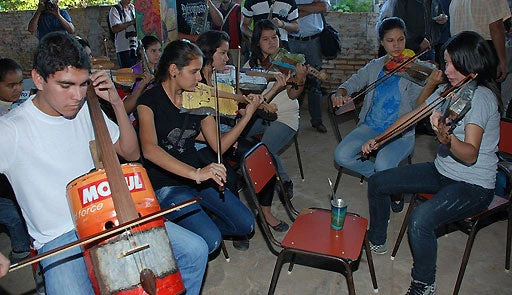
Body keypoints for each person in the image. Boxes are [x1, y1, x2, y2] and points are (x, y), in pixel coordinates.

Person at [0, 32, 208, 294]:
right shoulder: (11, 130)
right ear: (39, 79)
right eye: (66, 85)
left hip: (113, 216)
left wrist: (116, 104)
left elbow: (131, 153)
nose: (77, 95)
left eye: (83, 84)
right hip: (60, 237)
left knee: (195, 250)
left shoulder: (86, 109)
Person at [366, 31, 500, 294]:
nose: (446, 69)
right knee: (378, 181)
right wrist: (379, 139)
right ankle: (377, 239)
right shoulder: (447, 91)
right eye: (446, 62)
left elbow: (471, 153)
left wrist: (447, 140)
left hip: (474, 185)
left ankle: (424, 284)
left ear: (470, 63)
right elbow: (411, 116)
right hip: (442, 170)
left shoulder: (481, 98)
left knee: (419, 220)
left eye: (452, 63)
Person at [136, 39, 262, 254]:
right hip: (166, 186)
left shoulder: (198, 99)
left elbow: (219, 145)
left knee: (245, 224)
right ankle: (174, 232)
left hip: (198, 180)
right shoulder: (149, 100)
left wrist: (246, 118)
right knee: (211, 242)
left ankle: (191, 234)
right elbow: (149, 149)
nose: (200, 78)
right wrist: (196, 173)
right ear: (174, 69)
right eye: (194, 72)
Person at [332, 18, 434, 196]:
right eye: (390, 41)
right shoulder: (375, 66)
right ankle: (387, 181)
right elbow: (353, 82)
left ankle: (389, 183)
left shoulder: (415, 68)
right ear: (382, 42)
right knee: (341, 155)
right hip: (371, 126)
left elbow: (419, 105)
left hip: (400, 133)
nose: (397, 46)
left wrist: (431, 82)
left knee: (383, 164)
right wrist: (340, 93)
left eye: (401, 39)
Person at [245, 19, 307, 208]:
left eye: (275, 37)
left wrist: (301, 79)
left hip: (285, 116)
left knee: (264, 149)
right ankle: (249, 175)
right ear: (257, 42)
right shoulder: (251, 65)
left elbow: (292, 93)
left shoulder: (288, 63)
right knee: (242, 144)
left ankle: (284, 181)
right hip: (261, 114)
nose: (272, 42)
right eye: (266, 39)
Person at [0, 58, 32, 264]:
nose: (18, 89)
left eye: (20, 83)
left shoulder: (21, 104)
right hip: (3, 183)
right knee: (12, 216)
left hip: (15, 178)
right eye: (11, 85)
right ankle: (21, 252)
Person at [288, 0, 329, 133]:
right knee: (293, 81)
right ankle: (290, 121)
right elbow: (284, 12)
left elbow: (323, 6)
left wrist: (296, 9)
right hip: (291, 41)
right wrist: (311, 8)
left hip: (313, 41)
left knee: (315, 83)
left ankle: (317, 121)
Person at [450, 0, 511, 81]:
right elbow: (496, 27)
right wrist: (502, 60)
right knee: (487, 89)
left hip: (459, 52)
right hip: (483, 52)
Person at [109, 0, 139, 68]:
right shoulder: (115, 9)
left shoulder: (133, 8)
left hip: (135, 46)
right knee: (127, 73)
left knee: (137, 71)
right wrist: (131, 22)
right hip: (123, 48)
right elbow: (115, 28)